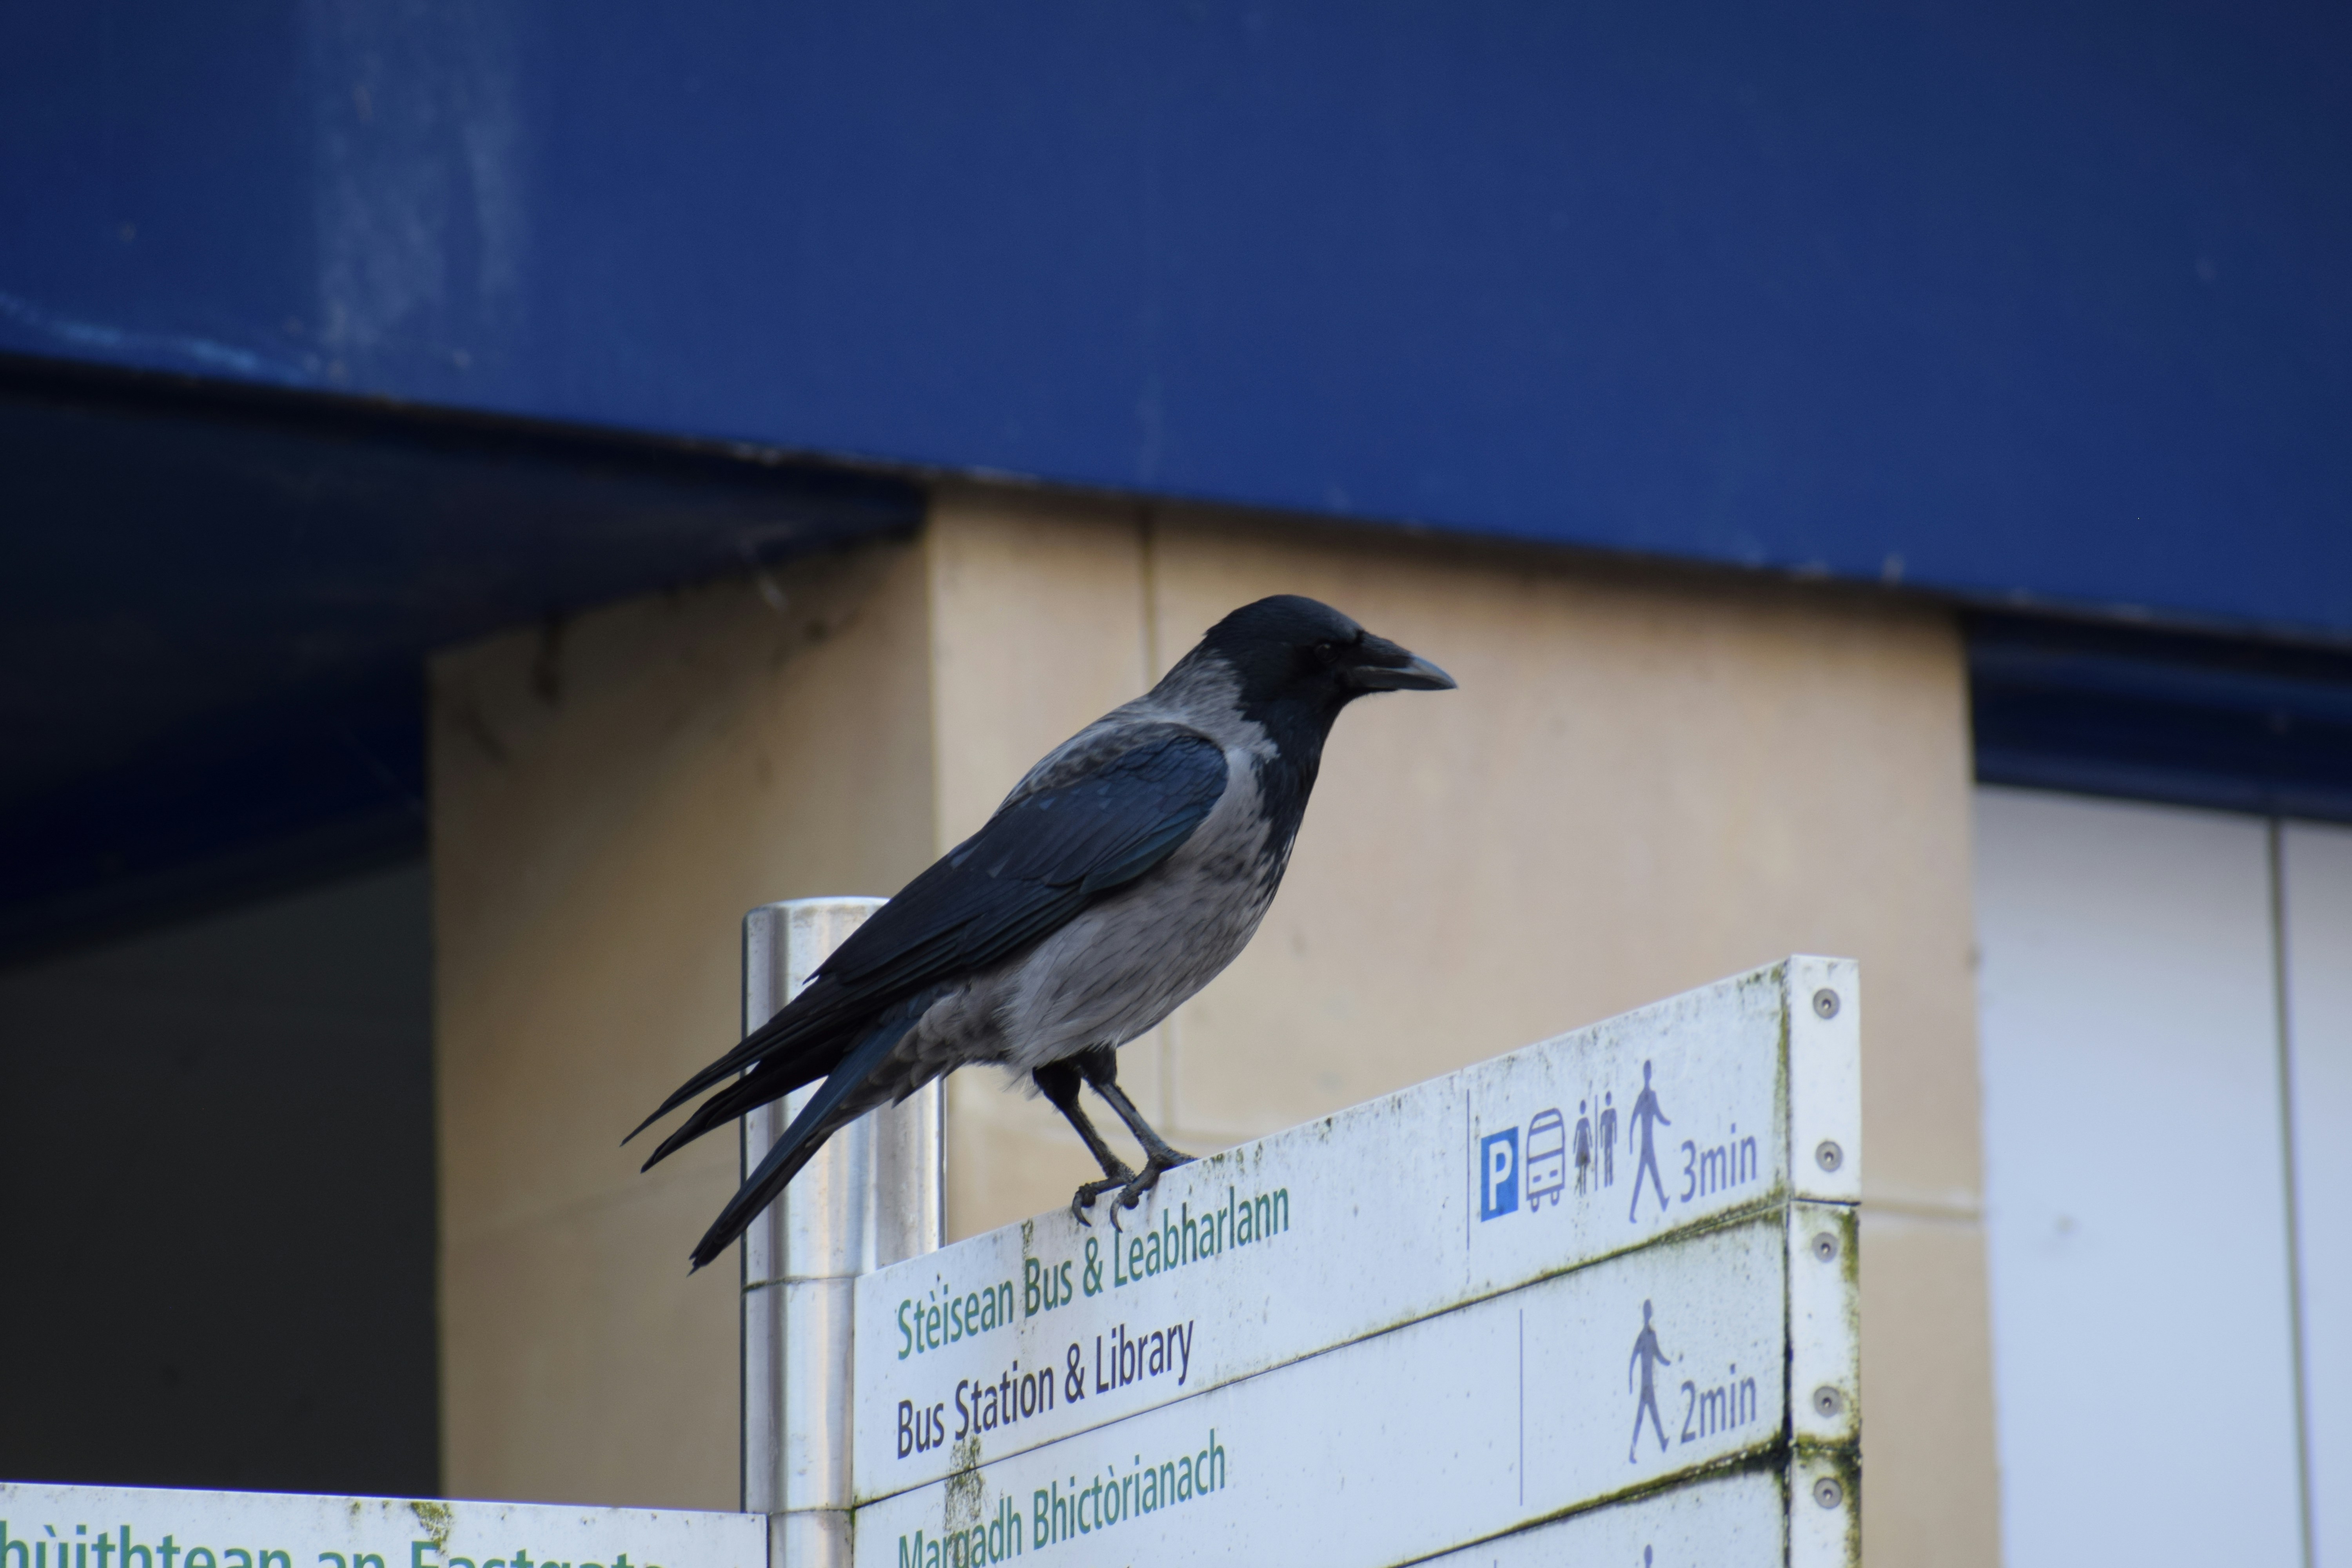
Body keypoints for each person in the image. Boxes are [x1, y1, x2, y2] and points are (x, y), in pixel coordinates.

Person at [1627, 1298, 1674, 1461]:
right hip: (1645, 1387)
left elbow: (1658, 1354)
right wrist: (1630, 1383)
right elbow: (1632, 1359)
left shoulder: (1652, 1335)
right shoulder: (1642, 1337)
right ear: (1645, 1313)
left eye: (1650, 1310)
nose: (1649, 1313)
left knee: (1652, 1416)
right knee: (1642, 1419)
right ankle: (1634, 1452)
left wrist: (1668, 1362)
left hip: (1649, 1386)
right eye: (1647, 1310)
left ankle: (1661, 1443)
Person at [1627, 1061, 1671, 1221]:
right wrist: (1631, 1143)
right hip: (1645, 1145)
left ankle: (1663, 1201)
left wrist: (1668, 1122)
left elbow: (1659, 1115)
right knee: (1643, 1177)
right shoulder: (1642, 1097)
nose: (1648, 1074)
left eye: (1649, 1072)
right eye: (1646, 1072)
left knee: (1652, 1173)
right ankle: (1634, 1211)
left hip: (1649, 1143)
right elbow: (1633, 1119)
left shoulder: (1652, 1096)